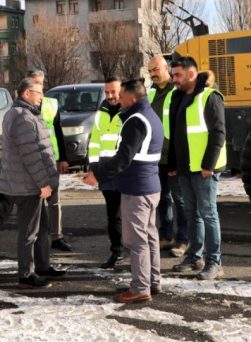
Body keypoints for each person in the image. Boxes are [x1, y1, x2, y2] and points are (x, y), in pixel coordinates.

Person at [85, 79, 163, 303]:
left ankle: (140, 288)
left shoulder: (136, 120)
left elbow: (123, 158)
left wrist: (98, 175)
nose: (118, 99)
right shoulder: (150, 116)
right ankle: (152, 281)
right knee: (149, 236)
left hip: (136, 188)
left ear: (132, 98)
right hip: (149, 185)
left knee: (136, 241)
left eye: (121, 96)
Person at [0, 77, 66, 289]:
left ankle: (43, 266)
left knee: (43, 227)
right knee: (29, 232)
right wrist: (43, 183)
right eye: (39, 92)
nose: (42, 97)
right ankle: (26, 275)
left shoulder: (26, 114)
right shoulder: (22, 117)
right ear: (27, 94)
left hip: (30, 184)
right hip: (27, 186)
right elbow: (31, 155)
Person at [168, 57, 227, 280]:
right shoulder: (178, 97)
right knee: (192, 214)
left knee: (208, 214)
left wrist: (208, 165)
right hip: (185, 167)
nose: (174, 79)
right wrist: (173, 164)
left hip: (204, 169)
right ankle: (195, 257)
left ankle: (214, 262)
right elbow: (175, 134)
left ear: (191, 74)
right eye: (173, 75)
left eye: (178, 75)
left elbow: (218, 133)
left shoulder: (210, 97)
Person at [26, 69, 72, 252]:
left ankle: (56, 236)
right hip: (34, 160)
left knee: (54, 201)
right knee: (35, 201)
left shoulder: (51, 104)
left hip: (52, 158)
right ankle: (37, 236)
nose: (39, 86)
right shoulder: (23, 105)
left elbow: (58, 131)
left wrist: (64, 158)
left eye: (41, 82)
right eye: (35, 82)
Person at [147, 55, 187, 257]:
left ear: (166, 68)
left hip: (174, 156)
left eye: (155, 69)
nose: (152, 74)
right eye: (150, 71)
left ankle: (183, 239)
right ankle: (166, 235)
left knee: (180, 199)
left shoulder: (177, 92)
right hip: (156, 156)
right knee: (163, 198)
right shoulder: (150, 93)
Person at [87, 76, 124, 269]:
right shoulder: (101, 111)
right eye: (107, 92)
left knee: (132, 216)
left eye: (113, 92)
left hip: (125, 172)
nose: (110, 96)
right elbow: (95, 141)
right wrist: (94, 168)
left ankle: (138, 254)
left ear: (122, 91)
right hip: (105, 173)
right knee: (113, 215)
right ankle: (117, 252)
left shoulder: (129, 111)